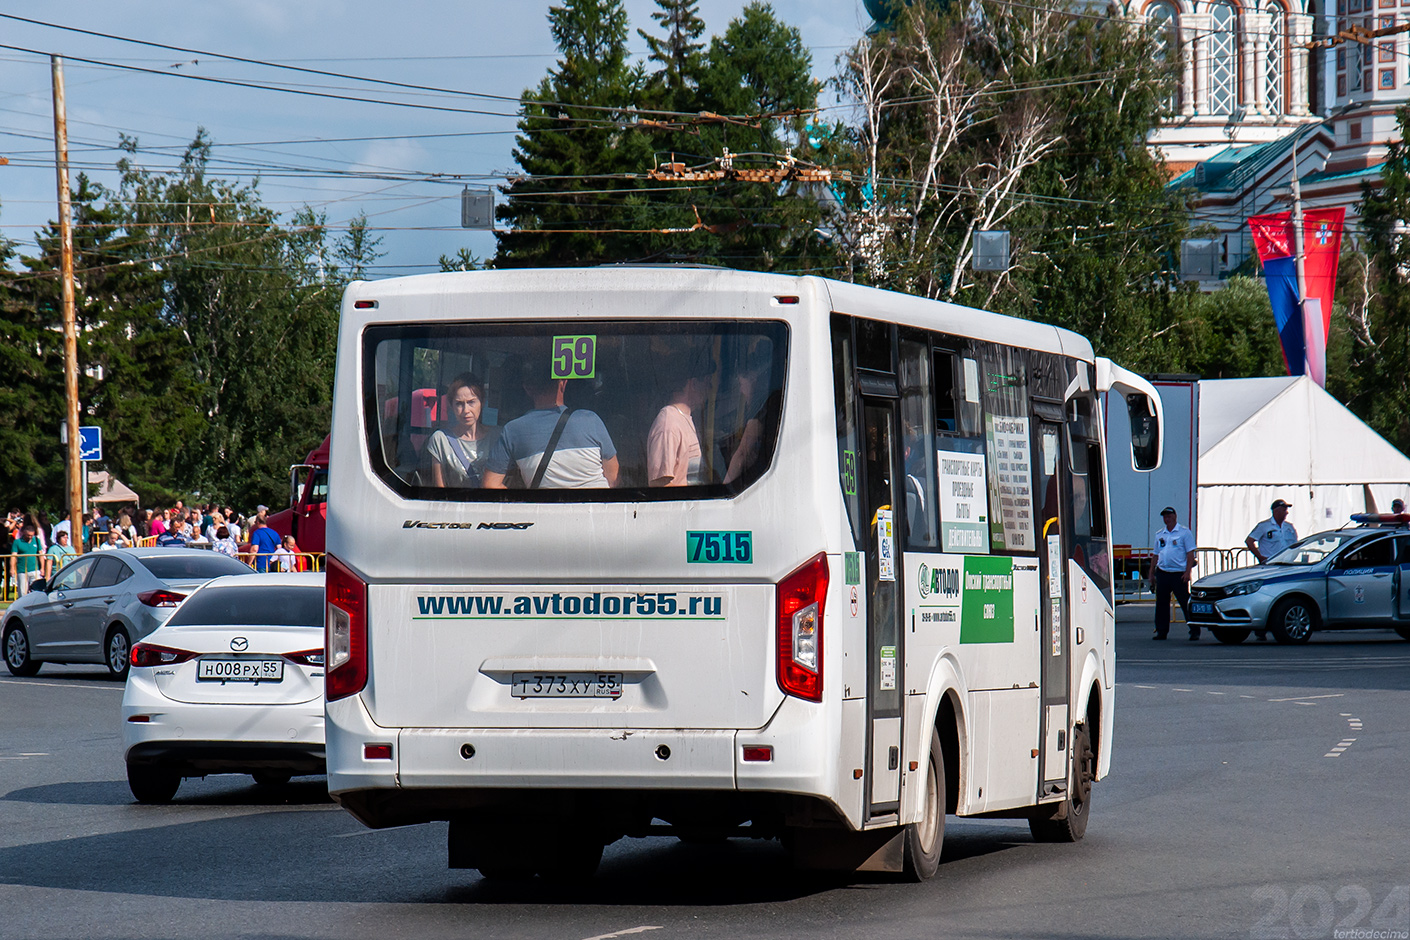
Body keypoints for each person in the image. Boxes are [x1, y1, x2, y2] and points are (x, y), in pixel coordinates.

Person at [482, 365, 618, 490]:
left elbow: (490, 484)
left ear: (527, 389)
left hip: (544, 514)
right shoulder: (590, 420)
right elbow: (613, 478)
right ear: (563, 384)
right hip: (597, 511)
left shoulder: (512, 431)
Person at [646, 357, 713, 486]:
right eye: (707, 382)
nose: (709, 389)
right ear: (693, 384)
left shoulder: (684, 419)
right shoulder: (669, 424)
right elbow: (660, 485)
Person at [426, 373, 500, 488]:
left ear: (482, 402)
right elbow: (439, 488)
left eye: (471, 402)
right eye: (459, 404)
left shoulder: (497, 437)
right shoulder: (441, 440)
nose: (466, 410)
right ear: (451, 406)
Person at [1148, 506, 1197, 640]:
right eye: (1165, 517)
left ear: (1175, 517)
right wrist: (1152, 572)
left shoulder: (1184, 533)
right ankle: (1161, 631)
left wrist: (1188, 572)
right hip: (1163, 572)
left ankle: (1194, 629)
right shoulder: (1160, 534)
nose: (1167, 519)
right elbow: (1156, 554)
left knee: (1184, 601)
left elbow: (1190, 553)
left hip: (1178, 573)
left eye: (1169, 516)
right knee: (1162, 603)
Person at [10, 522, 44, 595]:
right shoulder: (17, 542)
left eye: (31, 535)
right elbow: (13, 556)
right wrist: (12, 568)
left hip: (34, 570)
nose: (30, 537)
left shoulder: (37, 541)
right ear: (24, 533)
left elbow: (41, 554)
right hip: (22, 570)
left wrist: (42, 568)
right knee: (23, 592)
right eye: (28, 535)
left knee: (36, 591)